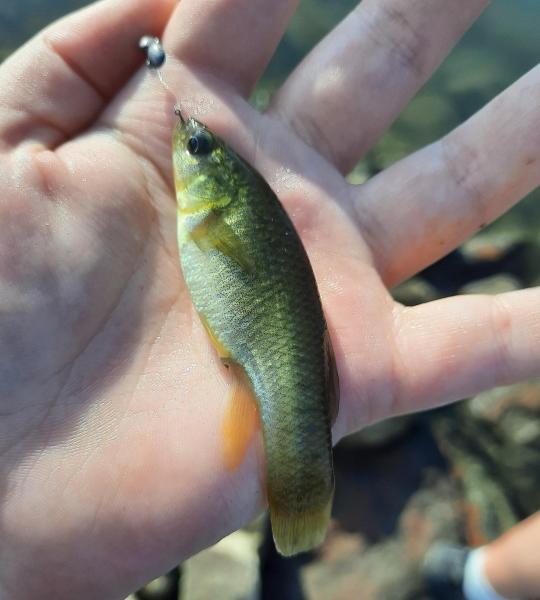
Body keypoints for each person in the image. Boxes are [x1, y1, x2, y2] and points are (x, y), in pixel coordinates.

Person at [0, 0, 538, 598]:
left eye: (198, 151)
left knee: (290, 407)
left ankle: (303, 489)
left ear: (218, 188)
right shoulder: (207, 211)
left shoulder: (210, 214)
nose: (187, 145)